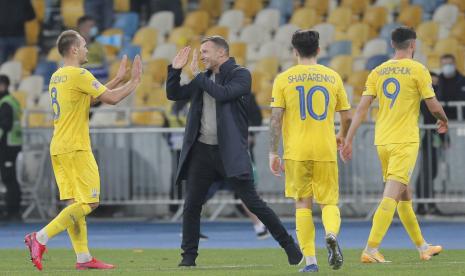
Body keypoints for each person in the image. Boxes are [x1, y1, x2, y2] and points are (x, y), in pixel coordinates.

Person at [166, 36, 303, 267]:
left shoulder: (241, 74)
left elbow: (222, 94)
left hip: (230, 152)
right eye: (200, 52)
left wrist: (198, 76)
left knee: (254, 203)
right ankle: (188, 258)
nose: (201, 56)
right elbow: (174, 94)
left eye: (206, 52)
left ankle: (290, 246)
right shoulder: (204, 77)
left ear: (222, 54)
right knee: (191, 205)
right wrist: (174, 71)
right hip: (202, 151)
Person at [24, 30, 142, 271]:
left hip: (59, 146)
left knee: (74, 205)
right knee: (90, 202)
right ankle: (40, 238)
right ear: (75, 49)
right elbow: (111, 100)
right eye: (84, 45)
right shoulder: (79, 74)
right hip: (76, 147)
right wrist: (134, 82)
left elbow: (89, 100)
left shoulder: (57, 76)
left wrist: (118, 78)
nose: (87, 49)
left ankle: (83, 257)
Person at [341, 26, 448, 263]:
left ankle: (423, 247)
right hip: (404, 141)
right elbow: (433, 106)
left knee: (404, 196)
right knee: (391, 196)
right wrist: (444, 120)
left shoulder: (378, 71)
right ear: (413, 45)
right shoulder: (418, 69)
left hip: (383, 142)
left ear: (392, 45)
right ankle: (370, 248)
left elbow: (361, 109)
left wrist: (348, 138)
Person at [269, 30, 352, 273]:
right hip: (324, 148)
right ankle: (331, 233)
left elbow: (275, 119)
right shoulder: (332, 77)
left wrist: (273, 152)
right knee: (329, 202)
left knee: (302, 204)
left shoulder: (283, 79)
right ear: (318, 50)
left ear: (294, 51)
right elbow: (346, 116)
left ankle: (311, 263)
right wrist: (342, 136)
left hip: (296, 151)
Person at [416, 72, 443, 215]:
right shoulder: (424, 100)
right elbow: (431, 118)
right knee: (426, 172)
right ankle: (423, 205)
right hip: (425, 138)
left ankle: (427, 204)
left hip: (432, 139)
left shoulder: (433, 98)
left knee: (431, 172)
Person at [0, 75, 22, 221]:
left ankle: (12, 211)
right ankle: (13, 210)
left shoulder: (5, 103)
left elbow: (5, 125)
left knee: (9, 178)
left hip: (7, 145)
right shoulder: (12, 100)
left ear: (4, 85)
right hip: (13, 144)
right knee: (10, 177)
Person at [76, 15, 107, 80]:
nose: (94, 28)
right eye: (91, 26)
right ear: (82, 28)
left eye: (94, 26)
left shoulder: (98, 45)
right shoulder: (73, 46)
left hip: (98, 79)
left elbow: (105, 64)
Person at [437, 54, 465, 121]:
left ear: (455, 64)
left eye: (450, 63)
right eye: (445, 64)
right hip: (441, 120)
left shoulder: (463, 81)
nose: (447, 66)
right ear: (441, 66)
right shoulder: (436, 82)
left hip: (462, 120)